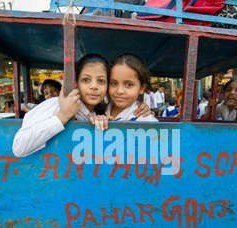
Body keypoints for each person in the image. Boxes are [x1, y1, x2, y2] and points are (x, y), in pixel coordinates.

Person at [12, 53, 152, 157]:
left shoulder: (95, 113)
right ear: (76, 83)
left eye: (101, 81)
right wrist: (62, 116)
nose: (93, 87)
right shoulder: (57, 104)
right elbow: (19, 147)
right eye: (86, 80)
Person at [102, 53, 158, 124]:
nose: (120, 91)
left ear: (142, 88)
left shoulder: (148, 122)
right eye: (114, 83)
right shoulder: (95, 112)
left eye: (128, 84)